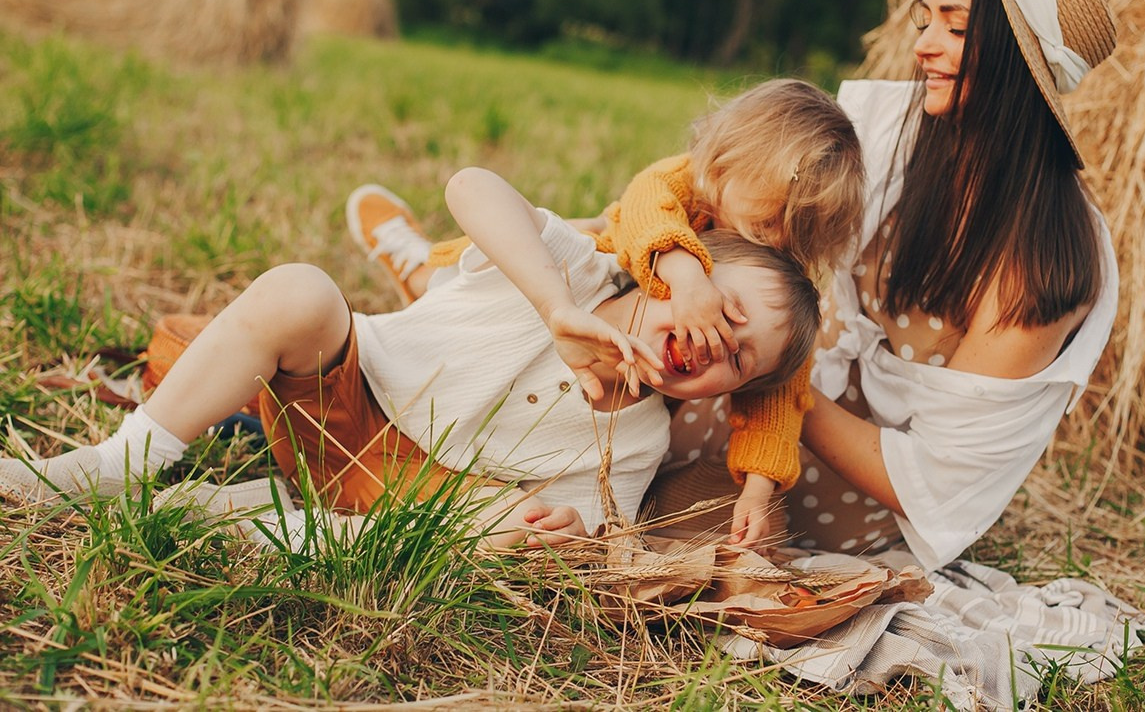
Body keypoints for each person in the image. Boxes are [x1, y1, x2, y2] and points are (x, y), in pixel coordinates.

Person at [651, 0, 1121, 571]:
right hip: (748, 380)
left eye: (956, 27)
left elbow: (932, 478)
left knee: (656, 517)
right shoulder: (889, 132)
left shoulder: (1042, 260)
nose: (925, 45)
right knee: (597, 351)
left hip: (835, 479)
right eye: (926, 19)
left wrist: (775, 382)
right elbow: (706, 186)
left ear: (1023, 65)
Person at [0, 168, 820, 550]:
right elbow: (470, 187)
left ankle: (268, 520)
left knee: (514, 526)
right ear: (677, 263)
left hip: (406, 500)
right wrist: (554, 306)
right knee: (299, 291)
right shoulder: (572, 267)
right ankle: (122, 461)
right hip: (345, 394)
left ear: (729, 394)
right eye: (727, 313)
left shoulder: (639, 439)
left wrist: (563, 528)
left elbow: (590, 530)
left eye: (738, 361)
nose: (717, 343)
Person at [348, 78, 863, 546]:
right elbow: (644, 211)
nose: (769, 240)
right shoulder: (680, 184)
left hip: (631, 341)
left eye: (790, 234)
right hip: (601, 258)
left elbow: (778, 396)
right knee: (479, 269)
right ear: (724, 166)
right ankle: (417, 264)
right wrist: (687, 277)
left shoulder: (772, 275)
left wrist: (757, 487)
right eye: (768, 217)